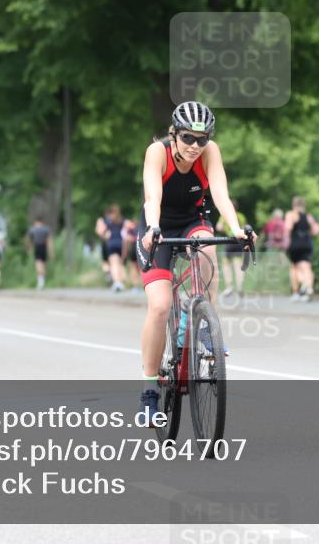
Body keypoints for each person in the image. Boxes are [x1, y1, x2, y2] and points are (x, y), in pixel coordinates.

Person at [136, 101, 253, 423]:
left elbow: (220, 193)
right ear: (174, 134)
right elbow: (151, 197)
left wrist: (236, 229)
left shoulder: (209, 151)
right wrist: (153, 229)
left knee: (208, 250)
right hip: (157, 225)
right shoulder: (156, 152)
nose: (195, 146)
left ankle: (203, 324)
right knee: (159, 307)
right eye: (188, 138)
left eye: (202, 140)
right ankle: (148, 389)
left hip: (192, 220)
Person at [285, 197, 319, 301]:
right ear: (304, 205)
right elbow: (316, 231)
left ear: (293, 205)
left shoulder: (291, 215)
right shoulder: (309, 216)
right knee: (307, 268)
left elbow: (288, 228)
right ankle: (308, 288)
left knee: (294, 267)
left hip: (295, 243)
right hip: (307, 243)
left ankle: (296, 292)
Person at [216, 209, 248, 297]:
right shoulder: (241, 216)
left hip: (229, 240)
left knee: (226, 265)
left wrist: (226, 229)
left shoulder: (224, 216)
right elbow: (245, 228)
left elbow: (219, 227)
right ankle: (240, 286)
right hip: (239, 242)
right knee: (238, 265)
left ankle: (229, 287)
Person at [96, 205, 127, 292]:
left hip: (111, 244)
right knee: (119, 264)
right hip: (121, 244)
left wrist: (105, 235)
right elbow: (127, 231)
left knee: (113, 263)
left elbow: (100, 232)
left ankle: (117, 282)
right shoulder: (122, 220)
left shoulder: (106, 221)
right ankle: (120, 281)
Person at [25, 219, 52, 290]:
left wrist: (30, 248)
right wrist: (51, 252)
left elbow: (29, 239)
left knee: (38, 265)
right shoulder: (46, 229)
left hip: (37, 247)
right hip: (44, 248)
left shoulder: (33, 229)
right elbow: (49, 241)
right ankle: (42, 282)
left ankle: (40, 283)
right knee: (43, 265)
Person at [121, 217, 141, 292]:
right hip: (141, 250)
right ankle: (144, 285)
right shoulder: (140, 228)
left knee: (133, 268)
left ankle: (136, 286)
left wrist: (124, 254)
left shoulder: (128, 230)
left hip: (133, 249)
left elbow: (125, 242)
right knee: (140, 268)